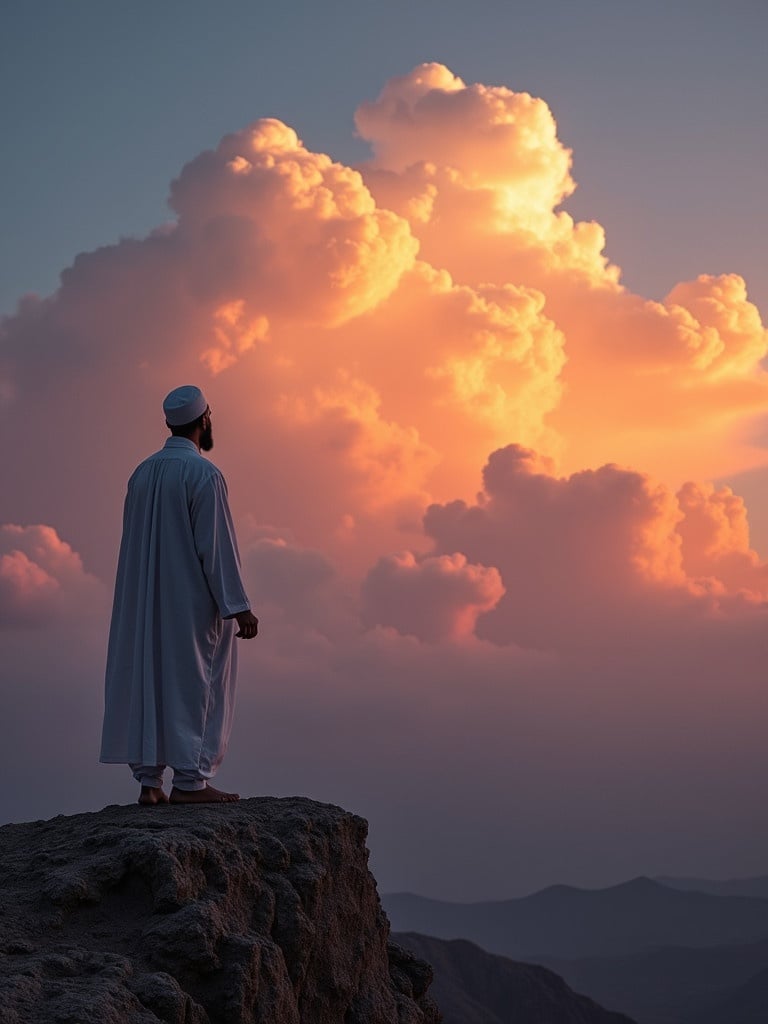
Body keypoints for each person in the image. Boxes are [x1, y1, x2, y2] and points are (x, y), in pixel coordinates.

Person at [100, 385, 259, 805]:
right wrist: (238, 606)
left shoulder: (142, 472)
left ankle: (150, 783)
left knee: (149, 681)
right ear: (204, 419)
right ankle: (191, 782)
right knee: (197, 683)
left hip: (144, 603)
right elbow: (216, 544)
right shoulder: (203, 474)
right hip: (190, 603)